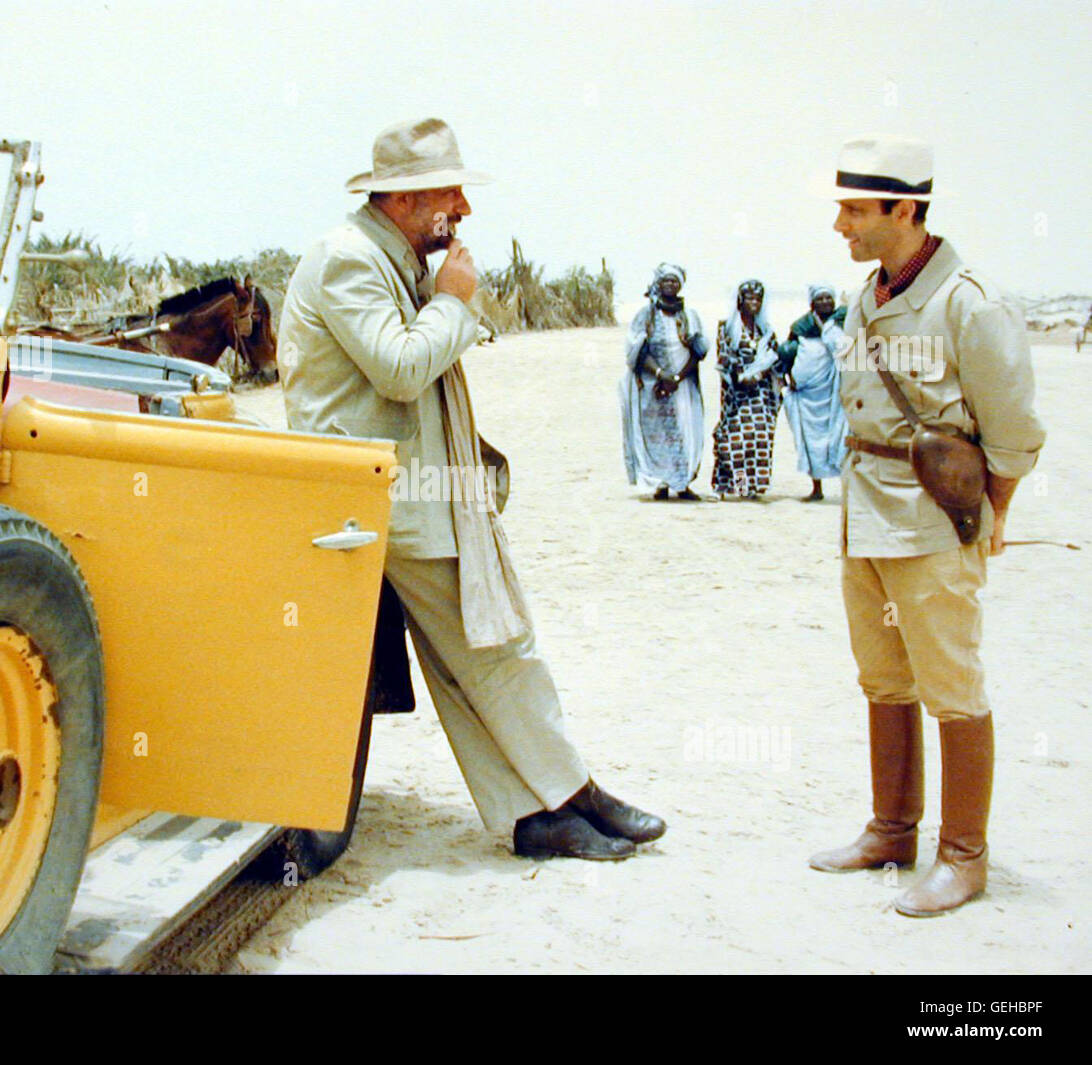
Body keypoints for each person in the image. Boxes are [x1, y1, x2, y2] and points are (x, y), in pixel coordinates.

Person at [278, 117, 666, 861]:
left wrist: (444, 298)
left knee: (472, 658)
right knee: (497, 646)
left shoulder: (382, 253)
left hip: (404, 491)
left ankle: (538, 813)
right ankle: (572, 791)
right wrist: (453, 299)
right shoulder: (348, 260)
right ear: (400, 197)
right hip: (379, 498)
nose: (463, 207)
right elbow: (398, 367)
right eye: (448, 191)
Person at [808, 136, 1045, 916]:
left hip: (932, 523)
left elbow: (1013, 434)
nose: (840, 224)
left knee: (952, 683)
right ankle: (891, 829)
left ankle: (964, 854)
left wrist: (992, 512)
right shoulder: (866, 296)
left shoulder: (968, 302)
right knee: (883, 677)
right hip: (865, 517)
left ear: (905, 209)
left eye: (854, 209)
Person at [620, 263, 708, 501]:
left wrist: (677, 377)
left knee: (686, 432)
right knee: (656, 434)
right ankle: (661, 485)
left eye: (674, 281)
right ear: (658, 284)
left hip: (683, 386)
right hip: (653, 386)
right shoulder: (646, 315)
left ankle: (682, 485)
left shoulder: (689, 316)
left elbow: (699, 351)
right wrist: (661, 374)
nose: (670, 285)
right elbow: (636, 351)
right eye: (666, 281)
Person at [777, 284, 849, 501]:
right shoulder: (801, 326)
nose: (826, 302)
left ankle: (847, 489)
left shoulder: (843, 320)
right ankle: (816, 488)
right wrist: (789, 379)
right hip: (809, 394)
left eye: (829, 297)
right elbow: (786, 354)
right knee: (810, 439)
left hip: (835, 390)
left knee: (840, 437)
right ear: (812, 303)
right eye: (821, 298)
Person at [711, 280, 780, 500]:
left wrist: (759, 375)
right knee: (733, 441)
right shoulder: (727, 327)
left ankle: (751, 489)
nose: (754, 303)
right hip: (737, 394)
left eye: (758, 299)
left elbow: (775, 359)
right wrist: (741, 376)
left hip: (761, 395)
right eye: (750, 298)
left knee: (758, 441)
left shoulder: (765, 330)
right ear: (740, 300)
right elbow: (724, 358)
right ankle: (733, 486)